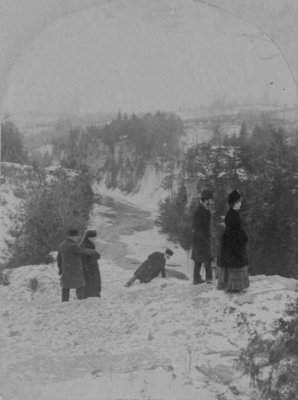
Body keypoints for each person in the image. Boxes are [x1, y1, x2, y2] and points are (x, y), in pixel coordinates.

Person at [217, 190, 250, 292]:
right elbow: (234, 231)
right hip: (232, 242)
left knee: (233, 263)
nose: (241, 203)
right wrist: (242, 238)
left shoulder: (234, 213)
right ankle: (232, 287)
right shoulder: (232, 214)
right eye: (239, 201)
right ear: (235, 202)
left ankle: (234, 286)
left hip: (232, 241)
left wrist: (243, 236)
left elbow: (237, 229)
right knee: (233, 263)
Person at [57, 228, 100, 302]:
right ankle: (81, 301)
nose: (78, 238)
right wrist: (94, 252)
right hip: (75, 270)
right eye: (77, 236)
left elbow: (59, 258)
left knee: (66, 287)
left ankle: (64, 301)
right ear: (73, 236)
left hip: (66, 269)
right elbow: (83, 250)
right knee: (80, 286)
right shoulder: (73, 245)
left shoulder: (62, 244)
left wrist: (60, 269)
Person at [191, 189, 214, 284]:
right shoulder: (198, 212)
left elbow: (206, 226)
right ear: (206, 200)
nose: (212, 201)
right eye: (211, 199)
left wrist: (208, 235)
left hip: (203, 238)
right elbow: (196, 227)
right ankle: (208, 279)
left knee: (199, 259)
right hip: (199, 239)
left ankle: (197, 279)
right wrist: (203, 238)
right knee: (204, 258)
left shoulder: (207, 211)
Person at [80, 230, 101, 298]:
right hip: (87, 265)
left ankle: (95, 293)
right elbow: (85, 256)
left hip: (92, 264)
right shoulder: (84, 245)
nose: (95, 239)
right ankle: (89, 294)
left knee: (94, 279)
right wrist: (96, 255)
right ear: (89, 237)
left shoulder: (90, 244)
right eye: (93, 237)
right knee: (90, 279)